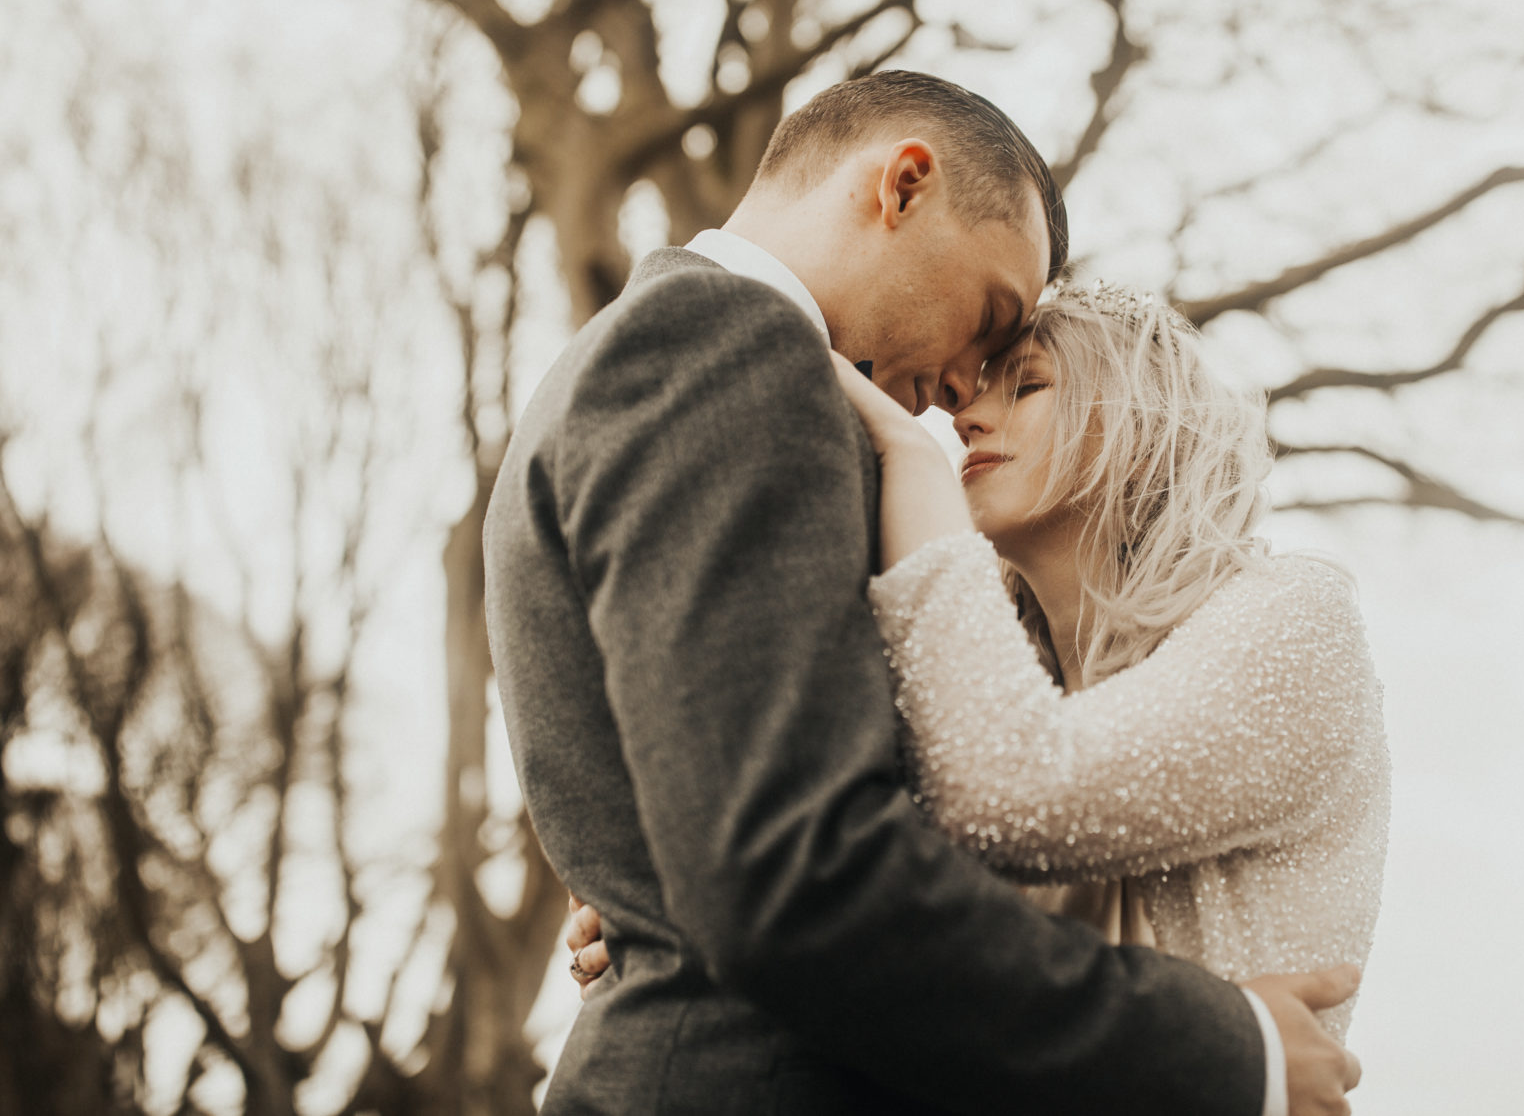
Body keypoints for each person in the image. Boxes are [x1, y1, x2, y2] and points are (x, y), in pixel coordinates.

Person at [483, 69, 1362, 1116]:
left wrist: (675, 856)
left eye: (1015, 372)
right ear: (901, 187)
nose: (957, 396)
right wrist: (1226, 1053)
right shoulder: (732, 346)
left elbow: (779, 829)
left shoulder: (693, 361)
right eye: (989, 321)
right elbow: (791, 875)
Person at [572, 281, 1392, 1048]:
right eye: (975, 394)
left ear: (1145, 437)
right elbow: (842, 902)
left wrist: (905, 450)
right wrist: (671, 912)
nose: (965, 417)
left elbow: (1010, 789)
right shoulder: (985, 686)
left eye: (1027, 385)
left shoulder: (1296, 618)